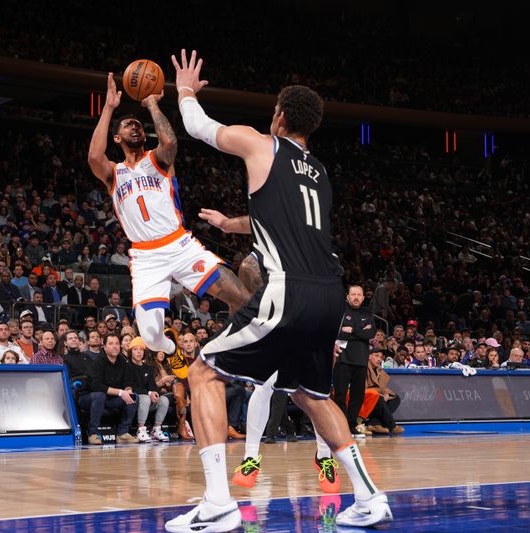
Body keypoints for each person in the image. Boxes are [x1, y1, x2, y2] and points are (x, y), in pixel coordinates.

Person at [165, 51, 391, 532]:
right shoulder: (321, 174)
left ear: (281, 116)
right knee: (312, 395)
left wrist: (184, 90)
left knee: (204, 373)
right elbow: (291, 225)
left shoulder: (261, 143)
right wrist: (233, 223)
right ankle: (370, 498)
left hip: (285, 290)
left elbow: (201, 127)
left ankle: (219, 502)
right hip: (327, 293)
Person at [87, 72, 250, 368]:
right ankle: (171, 345)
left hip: (179, 245)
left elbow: (171, 142)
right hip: (145, 257)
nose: (135, 127)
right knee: (150, 337)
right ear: (117, 137)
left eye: (138, 125)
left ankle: (247, 352)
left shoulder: (157, 159)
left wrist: (152, 105)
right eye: (128, 125)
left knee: (241, 298)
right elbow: (94, 157)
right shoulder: (114, 173)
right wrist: (109, 107)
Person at [79, 334, 138, 445]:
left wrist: (128, 390)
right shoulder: (98, 362)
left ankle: (123, 433)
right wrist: (120, 392)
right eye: (110, 344)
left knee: (133, 396)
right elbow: (97, 386)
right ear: (104, 347)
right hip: (89, 398)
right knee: (100, 395)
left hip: (110, 399)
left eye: (116, 343)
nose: (114, 346)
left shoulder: (123, 361)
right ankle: (93, 433)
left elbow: (128, 382)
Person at [333, 285, 375, 438]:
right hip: (343, 359)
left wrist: (352, 330)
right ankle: (341, 425)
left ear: (363, 297)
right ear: (347, 296)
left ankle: (351, 425)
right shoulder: (340, 312)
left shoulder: (367, 314)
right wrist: (360, 331)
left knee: (358, 396)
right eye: (353, 294)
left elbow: (370, 333)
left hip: (361, 361)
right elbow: (338, 332)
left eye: (359, 294)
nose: (356, 297)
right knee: (340, 395)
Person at [128, 337, 170, 442]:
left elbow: (152, 386)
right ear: (131, 352)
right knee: (146, 398)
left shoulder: (147, 368)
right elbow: (131, 387)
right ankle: (140, 430)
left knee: (164, 400)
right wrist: (149, 393)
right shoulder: (127, 366)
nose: (138, 352)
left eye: (141, 349)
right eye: (135, 349)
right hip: (135, 399)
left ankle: (156, 429)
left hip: (148, 399)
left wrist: (154, 393)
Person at [364, 347, 404, 435]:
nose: (379, 359)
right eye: (376, 356)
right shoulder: (363, 368)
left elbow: (382, 387)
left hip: (376, 395)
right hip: (364, 397)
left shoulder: (380, 370)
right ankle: (392, 426)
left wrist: (387, 394)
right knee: (379, 399)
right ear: (369, 356)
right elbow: (363, 389)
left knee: (395, 398)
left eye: (381, 357)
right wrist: (381, 393)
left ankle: (374, 423)